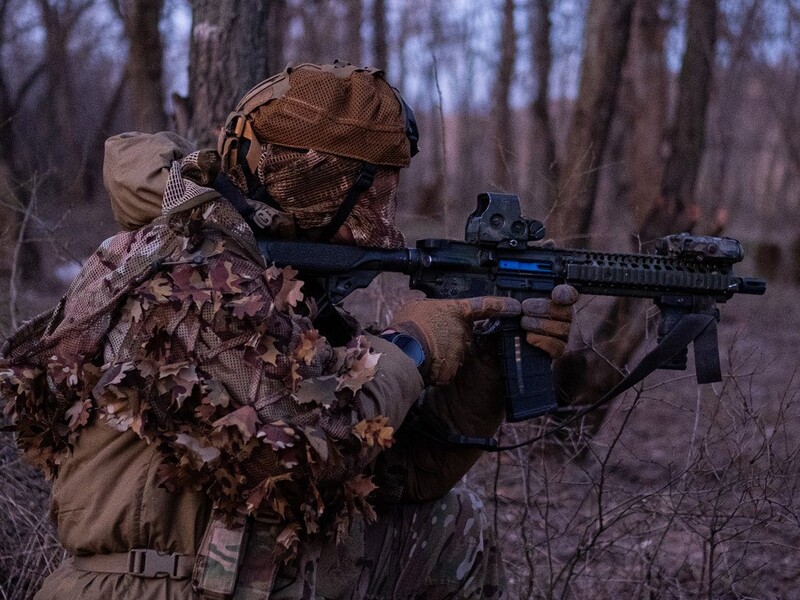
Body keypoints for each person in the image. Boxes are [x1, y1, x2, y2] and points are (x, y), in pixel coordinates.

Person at [0, 62, 578, 599]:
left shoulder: (264, 278)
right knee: (454, 532)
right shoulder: (196, 273)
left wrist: (486, 369)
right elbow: (317, 448)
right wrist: (412, 346)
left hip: (214, 571)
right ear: (315, 184)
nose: (384, 222)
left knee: (449, 524)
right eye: (372, 195)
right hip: (151, 588)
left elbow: (388, 477)